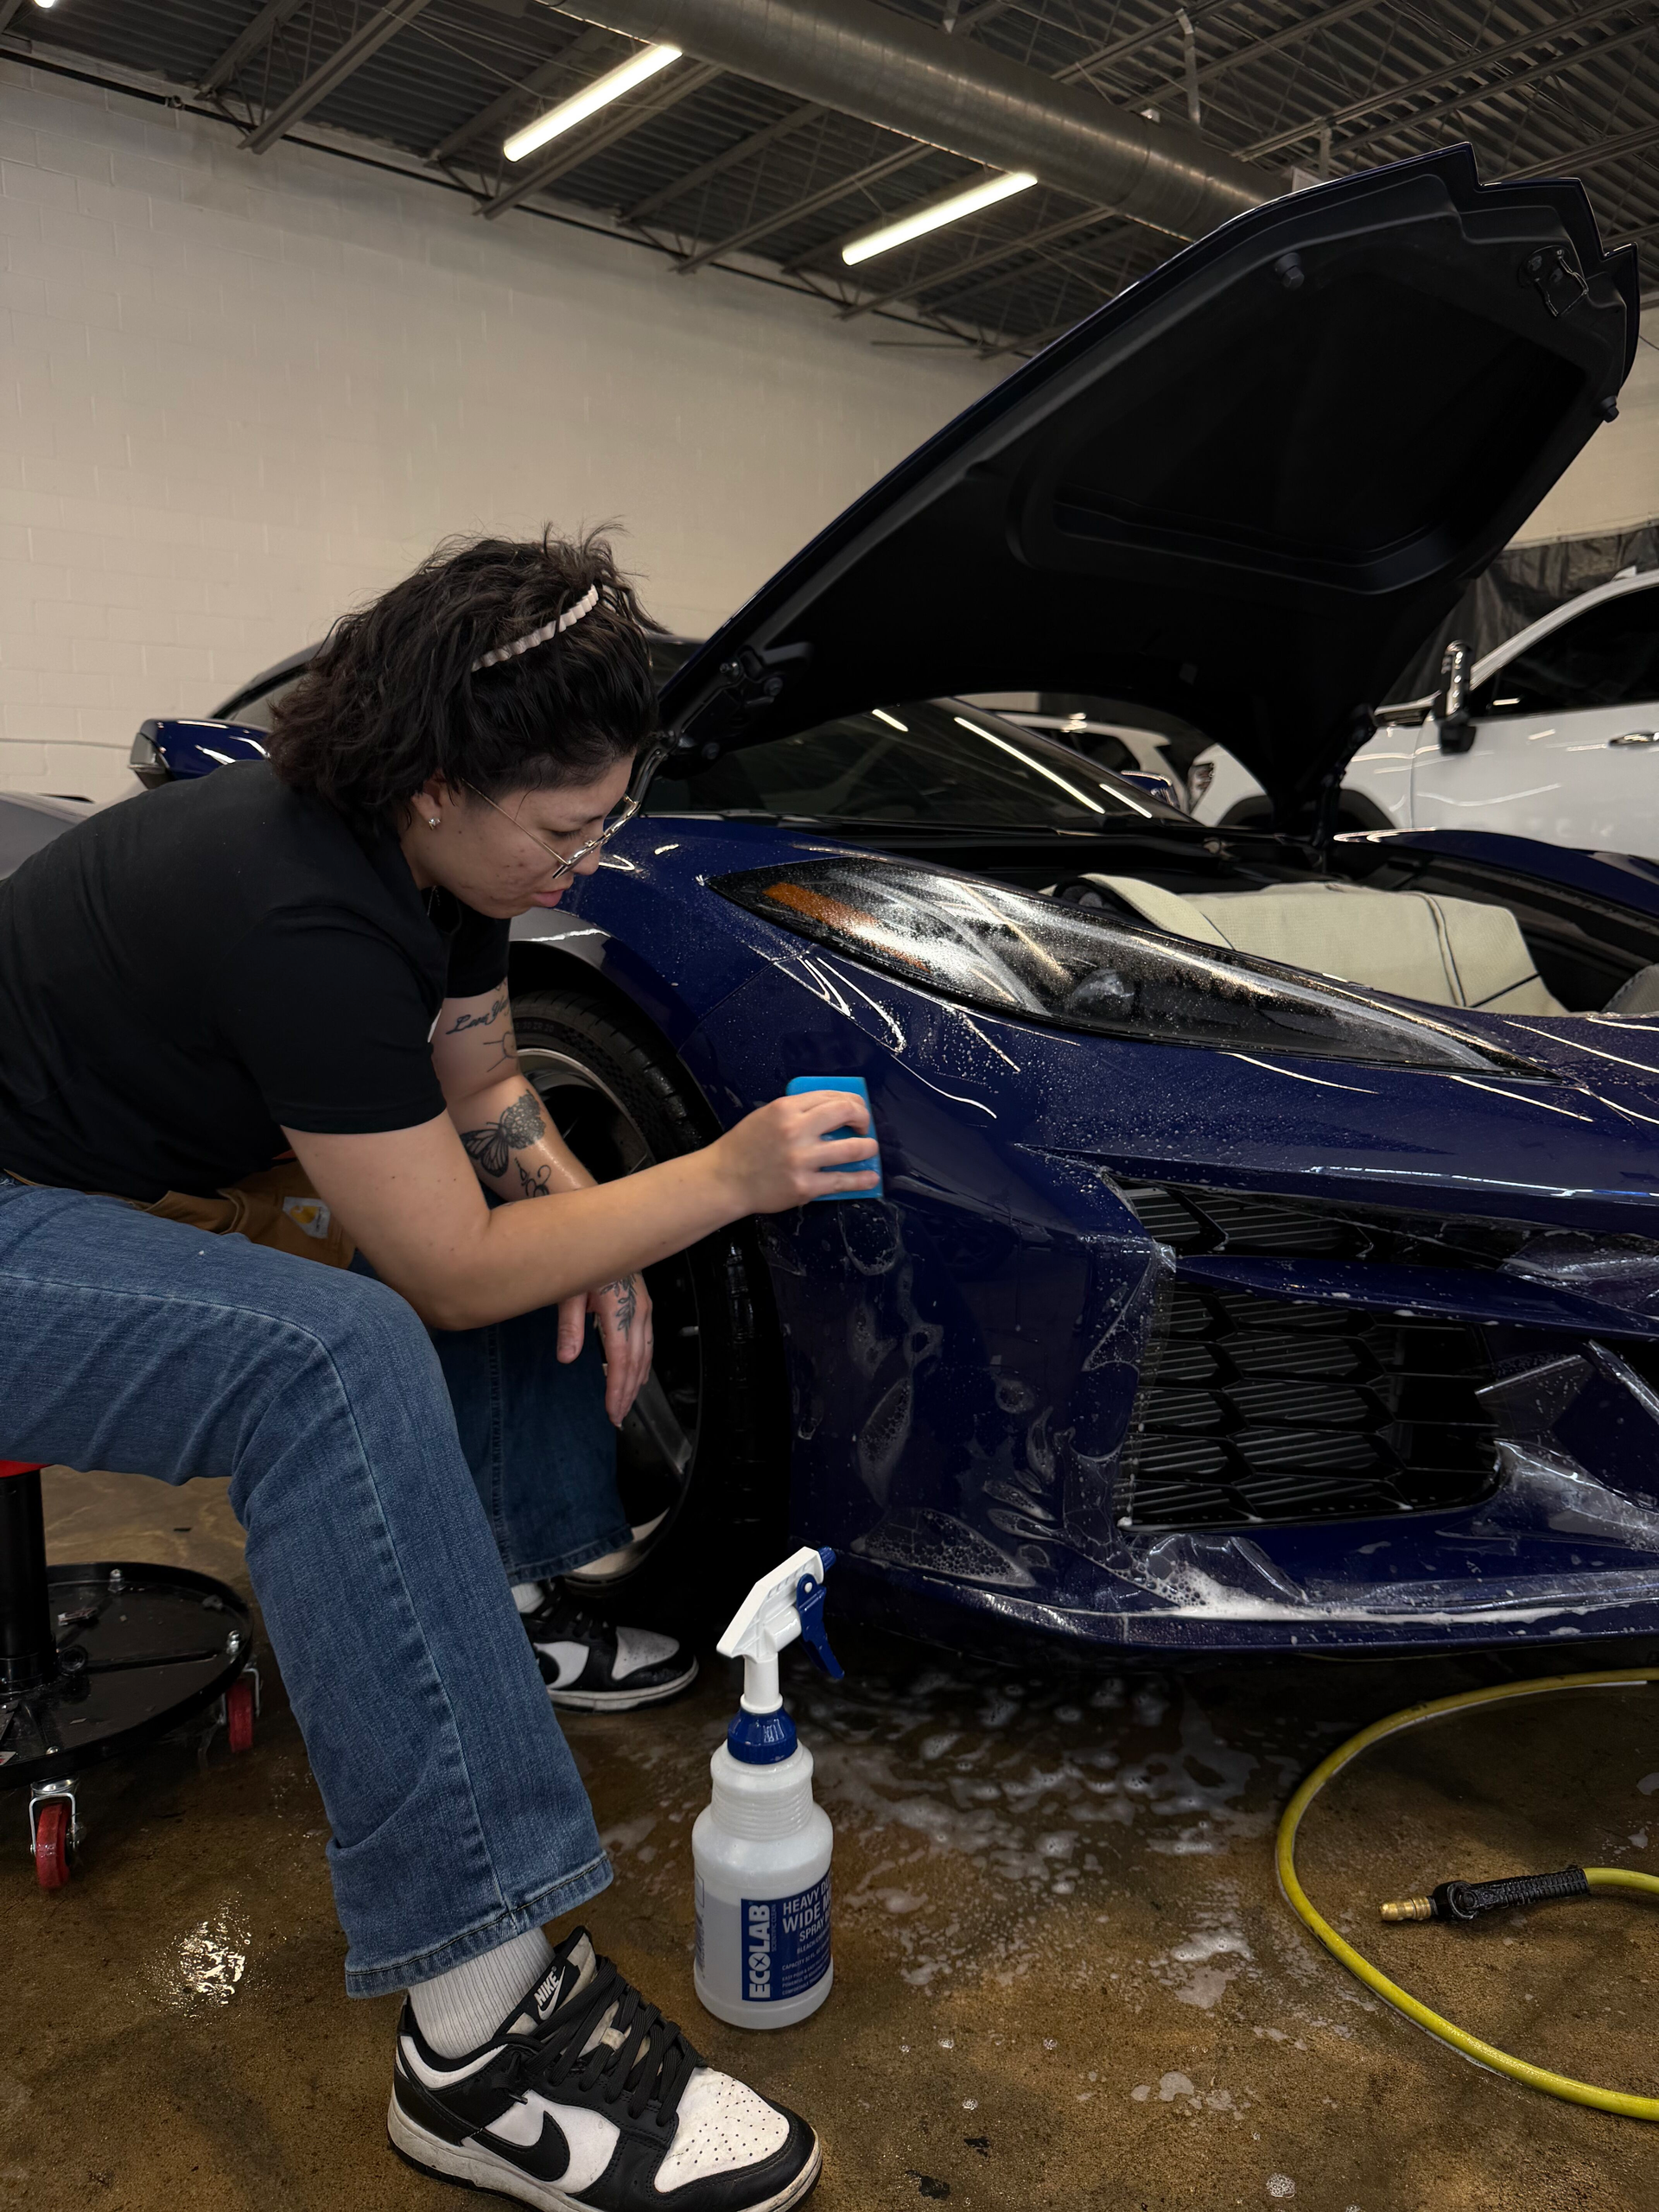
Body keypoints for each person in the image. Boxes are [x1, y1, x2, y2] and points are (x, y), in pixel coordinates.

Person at [0, 531, 878, 2211]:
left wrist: (590, 1214)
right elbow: (443, 1271)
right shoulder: (298, 908)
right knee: (326, 1360)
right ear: (428, 785)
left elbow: (486, 1098)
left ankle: (517, 1596)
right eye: (563, 826)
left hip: (76, 1173)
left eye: (608, 813)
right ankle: (480, 2043)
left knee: (516, 1202)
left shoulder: (443, 873)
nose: (589, 855)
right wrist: (721, 1179)